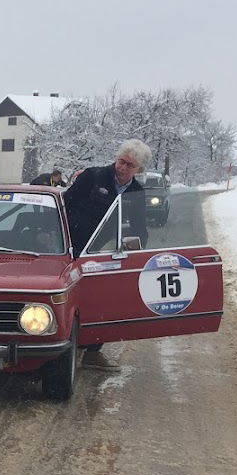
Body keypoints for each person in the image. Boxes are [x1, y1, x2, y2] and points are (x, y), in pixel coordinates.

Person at [60, 139, 153, 368]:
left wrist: (137, 251)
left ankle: (92, 349)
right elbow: (64, 205)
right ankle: (61, 343)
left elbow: (140, 228)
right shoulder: (92, 177)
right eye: (121, 161)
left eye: (129, 165)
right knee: (67, 294)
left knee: (102, 297)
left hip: (98, 250)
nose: (122, 167)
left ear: (139, 170)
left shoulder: (136, 193)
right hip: (69, 244)